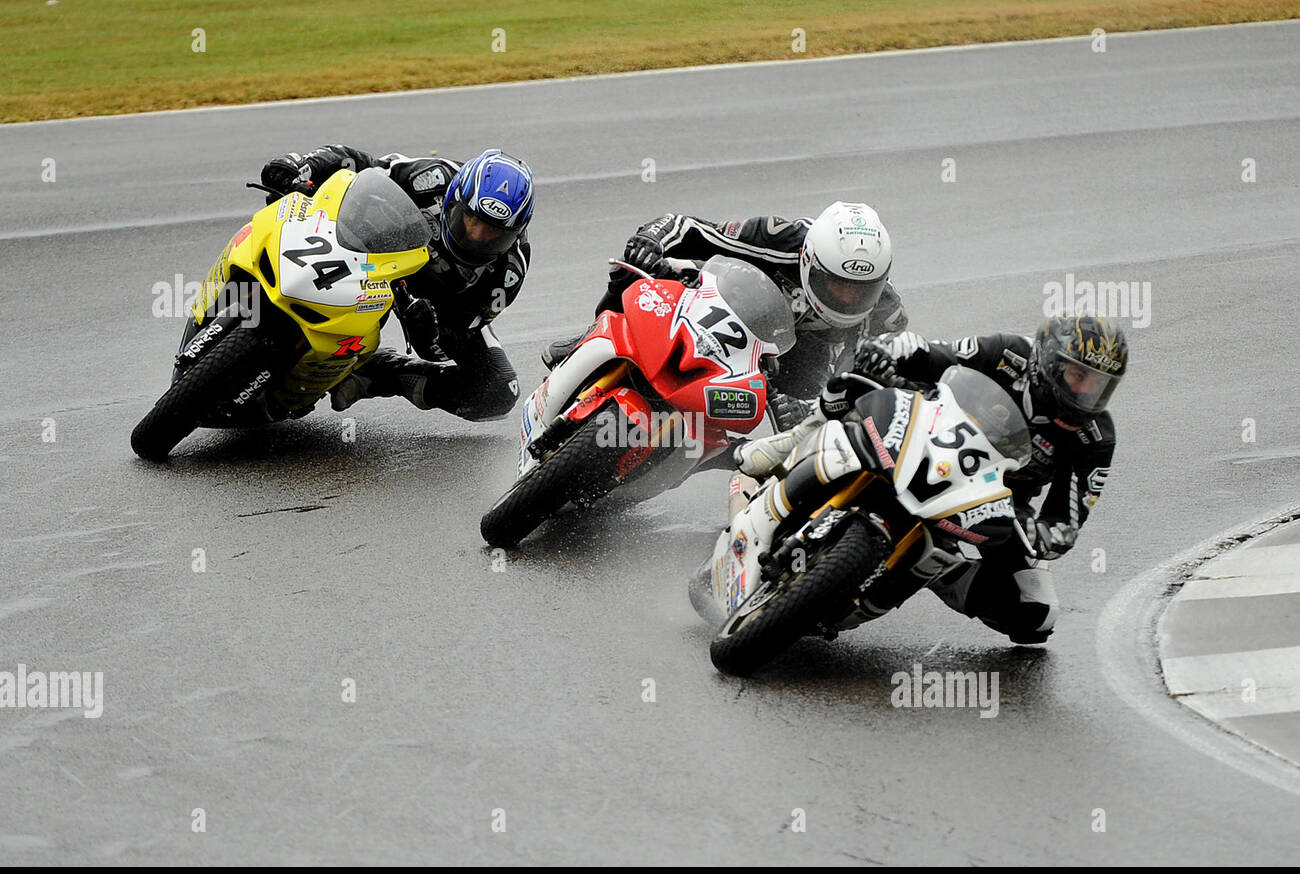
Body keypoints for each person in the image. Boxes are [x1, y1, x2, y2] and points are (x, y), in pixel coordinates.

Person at [734, 314, 1128, 644]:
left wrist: (1045, 535)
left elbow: (1066, 520)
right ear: (1048, 363)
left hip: (992, 497)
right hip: (927, 434)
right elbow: (932, 353)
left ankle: (937, 568)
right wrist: (888, 353)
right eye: (1078, 377)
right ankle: (789, 444)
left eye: (1099, 386)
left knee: (1035, 614)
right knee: (851, 385)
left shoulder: (1094, 438)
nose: (1086, 395)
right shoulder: (1010, 353)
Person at [541, 202, 908, 428]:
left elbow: (867, 388)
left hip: (799, 358)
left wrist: (815, 410)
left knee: (804, 428)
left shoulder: (887, 315)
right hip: (737, 303)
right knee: (638, 268)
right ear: (810, 261)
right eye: (836, 284)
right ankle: (591, 338)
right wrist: (651, 241)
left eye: (861, 289)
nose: (846, 297)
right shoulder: (781, 238)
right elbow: (688, 227)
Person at [258, 145, 533, 420]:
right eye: (470, 219)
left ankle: (375, 375)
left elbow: (459, 334)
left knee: (498, 390)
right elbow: (362, 165)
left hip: (437, 301)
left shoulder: (508, 274)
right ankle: (248, 293)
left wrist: (433, 333)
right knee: (287, 202)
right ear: (453, 198)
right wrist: (304, 166)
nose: (475, 235)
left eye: (493, 233)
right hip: (377, 248)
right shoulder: (433, 176)